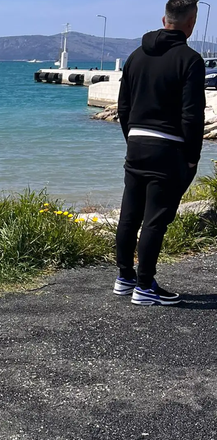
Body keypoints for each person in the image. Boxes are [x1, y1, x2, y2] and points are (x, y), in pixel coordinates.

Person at [115, 0, 205, 306]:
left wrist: (132, 137)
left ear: (163, 19)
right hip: (167, 148)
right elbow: (192, 116)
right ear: (190, 22)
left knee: (130, 215)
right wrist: (192, 156)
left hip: (137, 143)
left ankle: (125, 277)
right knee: (155, 219)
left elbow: (123, 106)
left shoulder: (135, 56)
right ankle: (145, 286)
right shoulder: (190, 60)